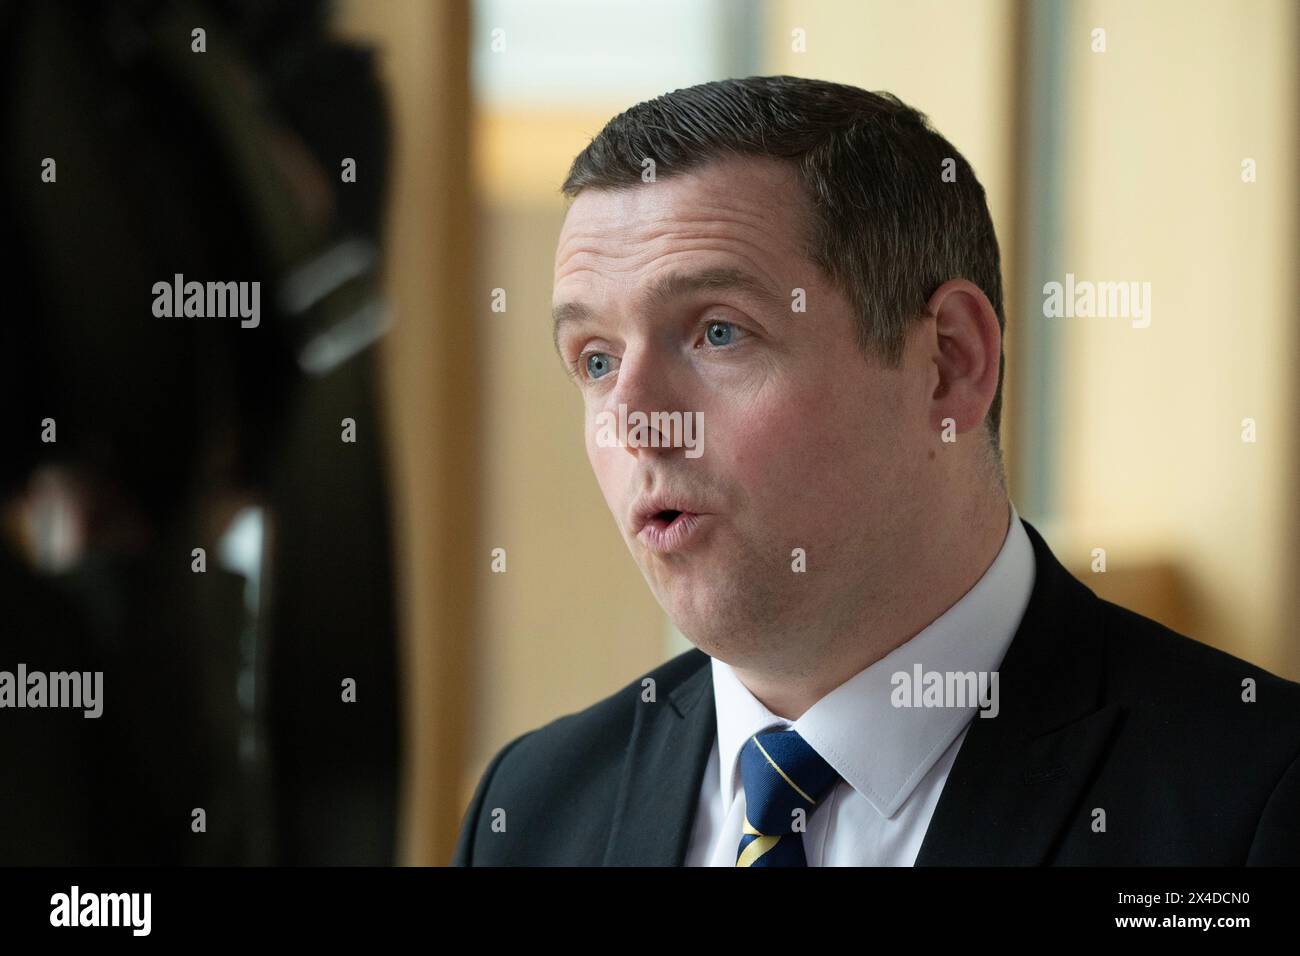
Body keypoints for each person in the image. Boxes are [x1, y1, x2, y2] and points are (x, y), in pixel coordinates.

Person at [453, 75, 1300, 866]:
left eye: (718, 332)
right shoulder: (531, 810)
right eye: (596, 360)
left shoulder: (1256, 802)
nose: (634, 422)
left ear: (947, 364)